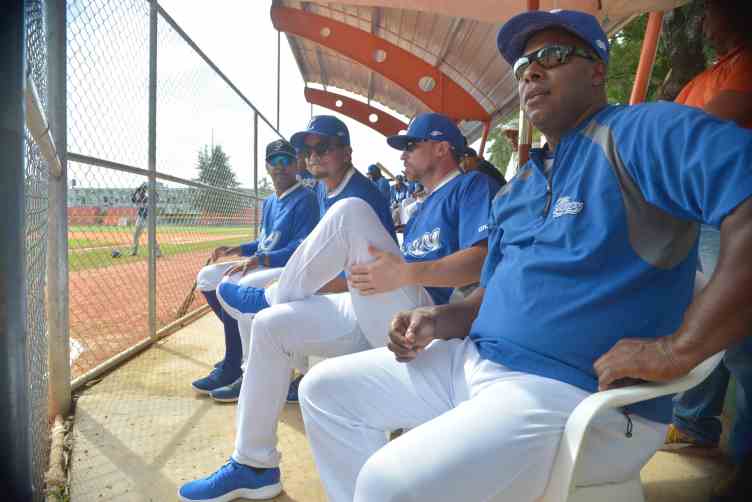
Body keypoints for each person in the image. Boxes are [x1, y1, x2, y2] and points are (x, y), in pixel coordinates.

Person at [294, 10, 752, 502]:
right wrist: (438, 318)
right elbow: (488, 296)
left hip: (572, 393)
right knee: (322, 392)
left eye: (551, 56)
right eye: (522, 65)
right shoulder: (521, 187)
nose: (531, 71)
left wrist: (678, 351)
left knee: (388, 482)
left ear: (596, 70)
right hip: (474, 362)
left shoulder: (640, 133)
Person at [177, 112, 499, 502]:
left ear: (443, 147)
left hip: (430, 321)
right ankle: (254, 464)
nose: (402, 154)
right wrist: (396, 274)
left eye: (411, 145)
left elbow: (481, 261)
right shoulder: (422, 205)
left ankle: (274, 293)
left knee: (350, 212)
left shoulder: (469, 186)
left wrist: (405, 273)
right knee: (270, 327)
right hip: (384, 311)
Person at [603, 1, 752, 499]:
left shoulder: (746, 64)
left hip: (732, 205)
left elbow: (705, 124)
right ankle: (694, 424)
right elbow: (668, 126)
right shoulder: (707, 75)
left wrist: (661, 127)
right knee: (701, 320)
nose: (704, 21)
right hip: (693, 214)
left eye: (711, 11)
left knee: (740, 339)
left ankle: (744, 459)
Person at [192, 140, 320, 402]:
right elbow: (265, 242)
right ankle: (236, 353)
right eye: (275, 161)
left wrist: (259, 259)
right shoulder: (270, 201)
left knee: (240, 286)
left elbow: (300, 247)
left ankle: (247, 371)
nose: (280, 166)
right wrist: (238, 249)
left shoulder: (305, 198)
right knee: (207, 278)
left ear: (297, 165)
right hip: (265, 263)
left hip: (287, 268)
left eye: (286, 160)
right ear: (267, 166)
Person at [129, 182, 161, 257]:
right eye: (140, 191)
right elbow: (133, 199)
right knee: (135, 235)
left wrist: (153, 190)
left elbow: (157, 198)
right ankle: (134, 251)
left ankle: (157, 252)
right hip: (140, 218)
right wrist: (136, 190)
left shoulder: (148, 198)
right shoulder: (138, 199)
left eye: (142, 191)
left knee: (151, 235)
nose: (141, 192)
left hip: (149, 218)